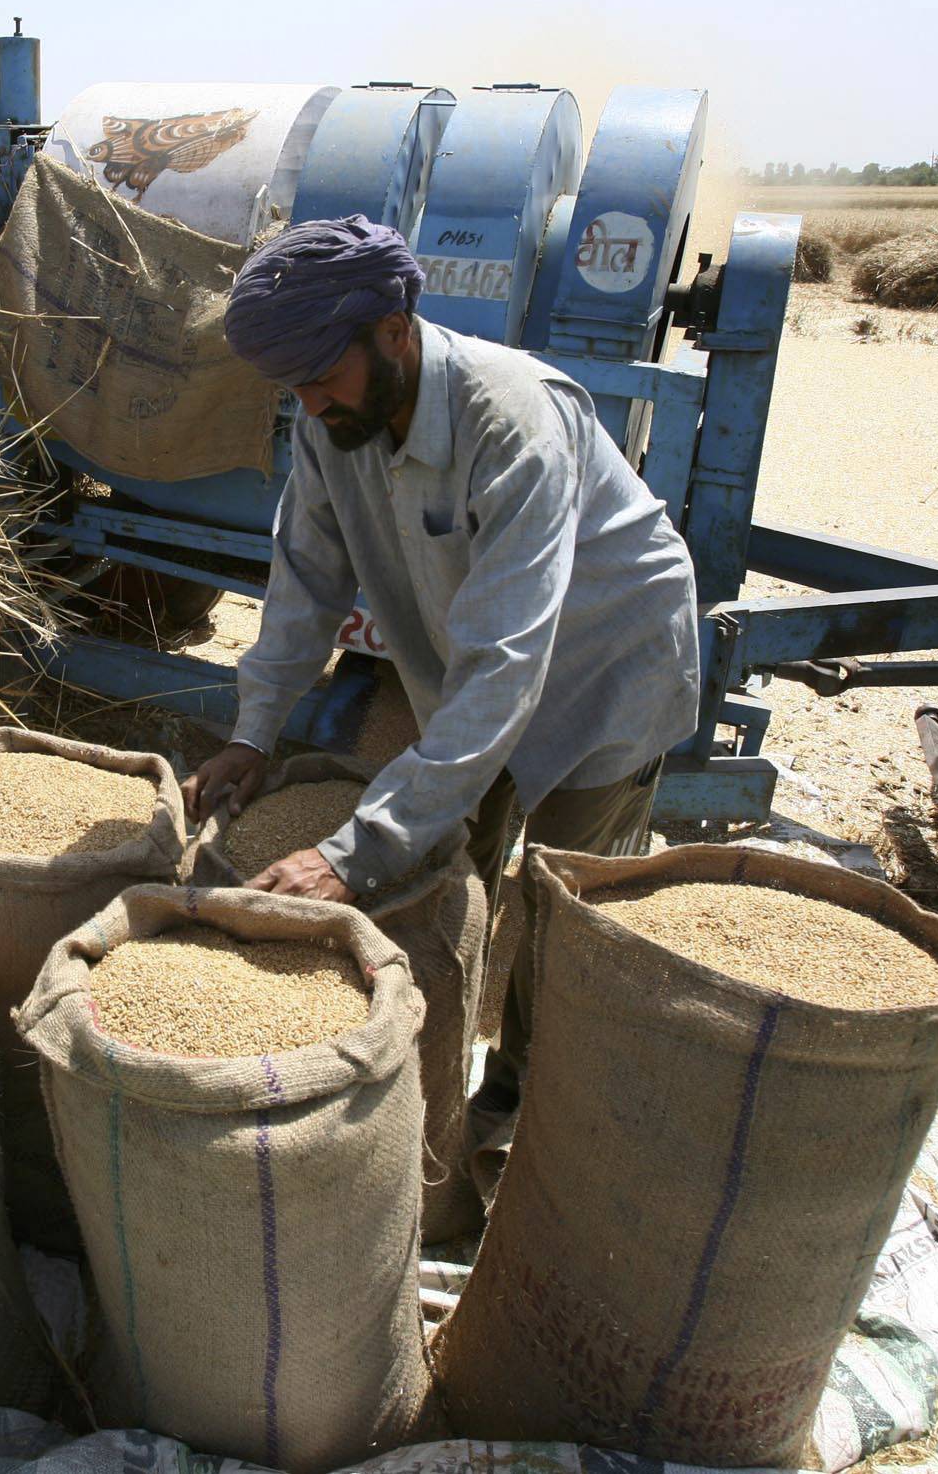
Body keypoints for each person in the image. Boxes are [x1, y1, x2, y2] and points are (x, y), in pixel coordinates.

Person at [180, 215, 702, 1170]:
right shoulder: (336, 419)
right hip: (483, 660)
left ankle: (525, 1116)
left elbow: (511, 659)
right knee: (451, 853)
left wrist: (357, 849)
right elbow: (303, 584)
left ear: (393, 328)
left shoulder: (515, 420)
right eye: (294, 388)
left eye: (323, 379)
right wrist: (255, 734)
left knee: (562, 910)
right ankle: (432, 1103)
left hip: (602, 664)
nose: (313, 404)